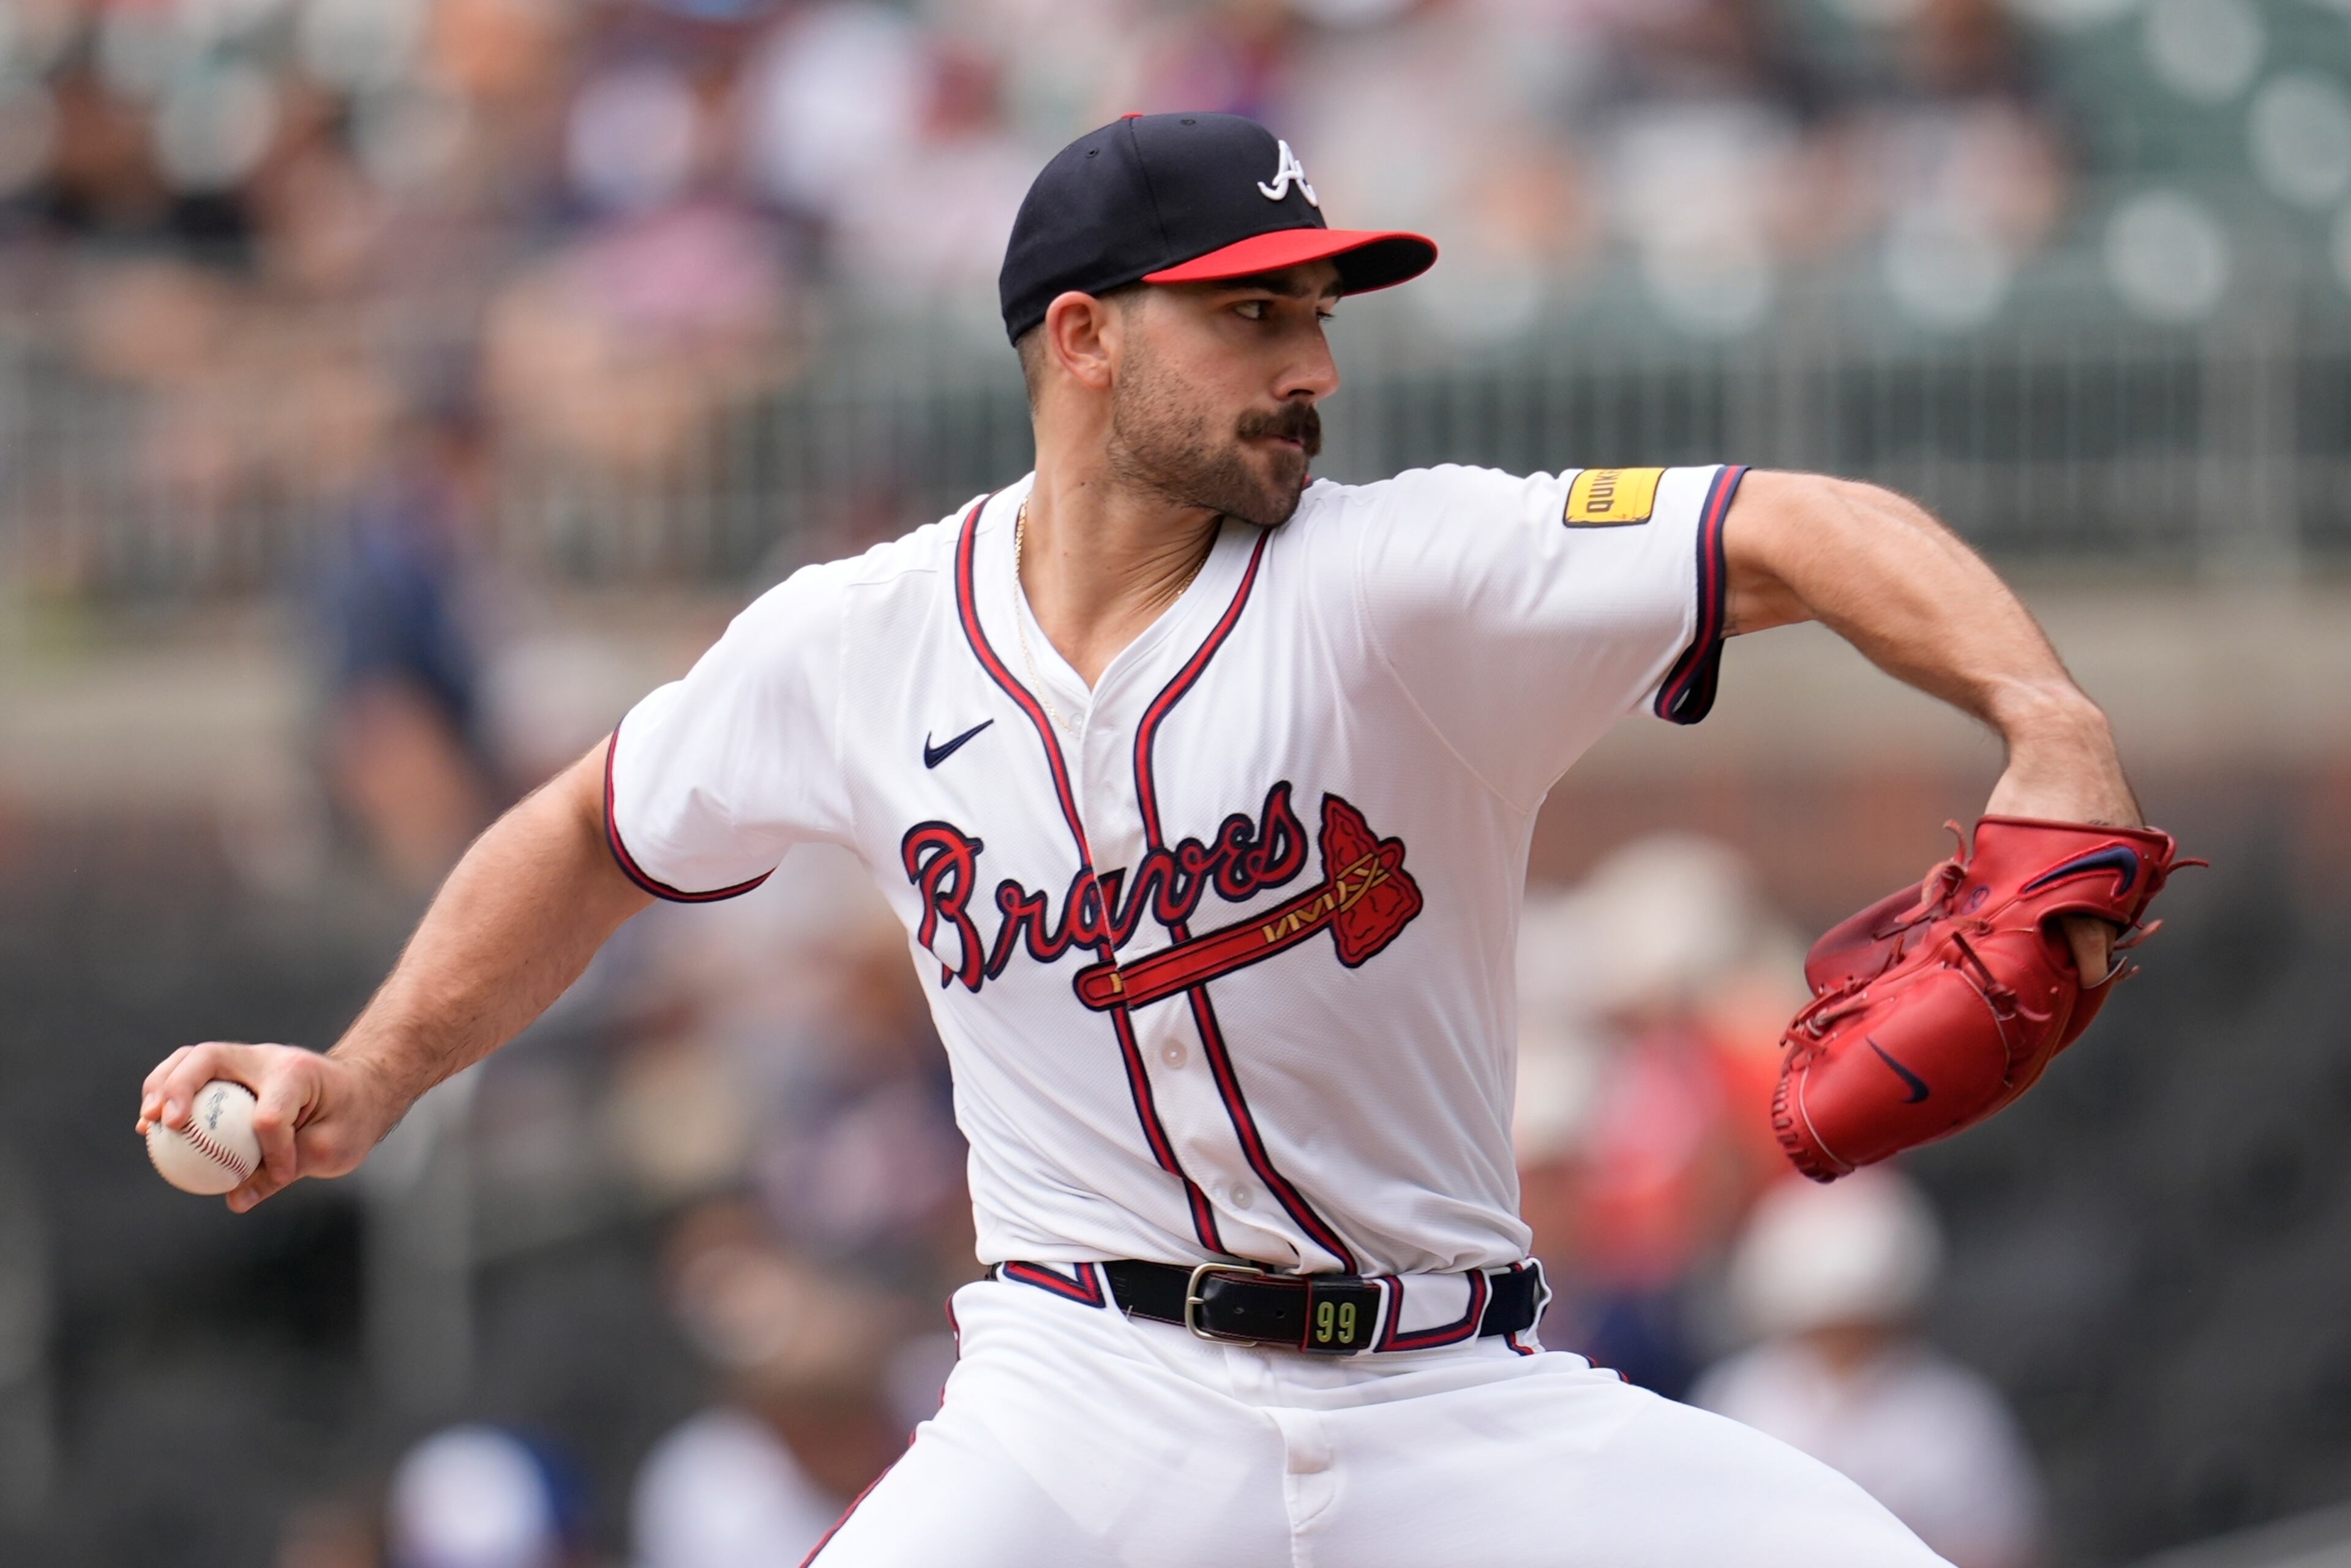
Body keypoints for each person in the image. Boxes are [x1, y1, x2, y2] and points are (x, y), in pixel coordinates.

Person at [140, 113, 2142, 1565]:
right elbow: (592, 825)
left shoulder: (1406, 576)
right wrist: (365, 1069)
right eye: (1252, 316)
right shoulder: (859, 641)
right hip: (1088, 1403)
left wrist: (2041, 720)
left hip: (1464, 1392)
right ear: (1082, 340)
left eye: (1319, 314)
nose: (1314, 366)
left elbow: (1784, 524)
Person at [1695, 1171, 2044, 1568]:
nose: (1845, 1344)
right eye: (1828, 1326)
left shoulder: (1955, 1415)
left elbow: (2001, 1548)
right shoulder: (1740, 1400)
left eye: (1861, 1324)